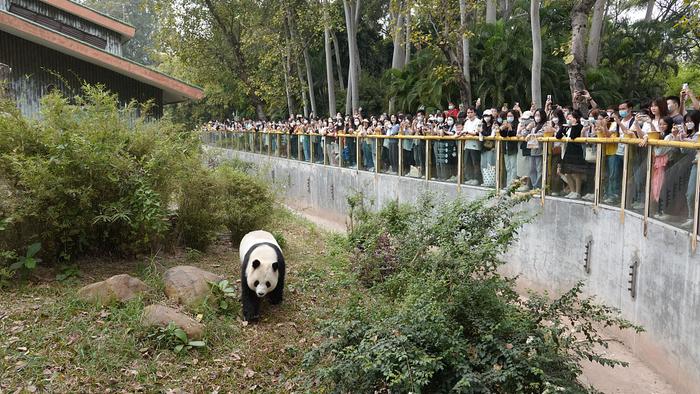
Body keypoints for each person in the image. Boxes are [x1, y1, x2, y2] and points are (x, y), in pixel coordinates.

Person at [557, 110, 587, 199]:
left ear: (576, 118)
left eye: (571, 117)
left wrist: (574, 125)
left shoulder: (579, 126)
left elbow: (573, 136)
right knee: (567, 172)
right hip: (567, 151)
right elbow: (558, 136)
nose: (569, 118)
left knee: (576, 173)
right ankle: (572, 190)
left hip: (576, 151)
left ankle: (577, 192)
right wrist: (563, 127)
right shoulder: (568, 127)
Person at [682, 111, 700, 228]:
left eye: (691, 121)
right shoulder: (689, 135)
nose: (689, 123)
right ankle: (691, 217)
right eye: (687, 121)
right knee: (691, 193)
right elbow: (684, 151)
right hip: (695, 163)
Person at [461, 106, 482, 185]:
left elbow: (477, 132)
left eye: (471, 112)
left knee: (475, 163)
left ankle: (477, 179)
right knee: (467, 163)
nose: (469, 114)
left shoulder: (478, 121)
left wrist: (467, 132)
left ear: (474, 113)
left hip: (475, 146)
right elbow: (464, 131)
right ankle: (469, 178)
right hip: (467, 145)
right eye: (468, 113)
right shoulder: (466, 122)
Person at [499, 110, 519, 187]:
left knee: (513, 167)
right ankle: (508, 184)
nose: (509, 117)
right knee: (508, 168)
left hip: (513, 148)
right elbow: (503, 135)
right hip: (506, 149)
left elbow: (513, 134)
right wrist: (502, 128)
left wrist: (510, 128)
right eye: (508, 116)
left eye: (511, 116)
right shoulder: (505, 124)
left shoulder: (517, 124)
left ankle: (512, 185)